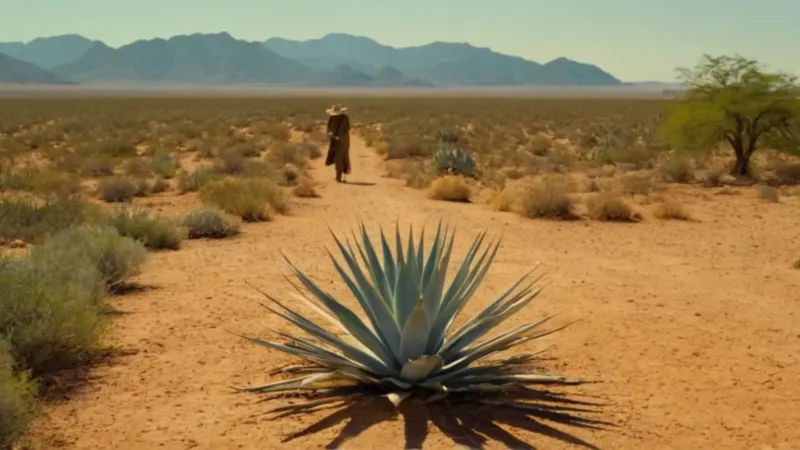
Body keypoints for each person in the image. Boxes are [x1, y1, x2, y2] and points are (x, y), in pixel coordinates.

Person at [324, 104, 351, 183]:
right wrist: (330, 134)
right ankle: (338, 176)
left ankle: (340, 176)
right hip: (334, 141)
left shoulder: (344, 118)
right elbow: (329, 128)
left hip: (343, 141)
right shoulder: (332, 118)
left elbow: (345, 129)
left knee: (342, 158)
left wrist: (338, 136)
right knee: (336, 158)